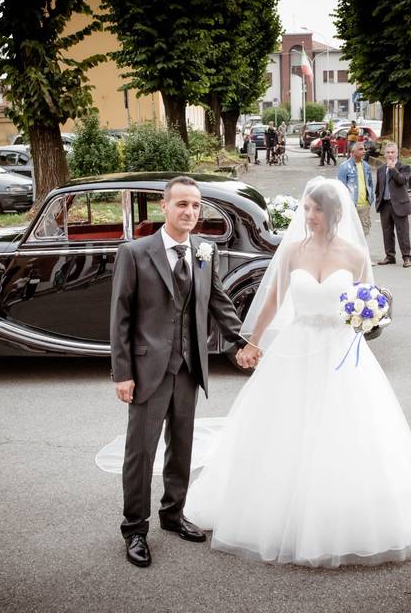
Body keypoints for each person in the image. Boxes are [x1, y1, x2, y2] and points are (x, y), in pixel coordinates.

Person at [181, 177, 411, 567]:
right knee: (285, 425)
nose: (310, 216)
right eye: (306, 209)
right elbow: (272, 300)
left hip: (339, 350)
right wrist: (253, 343)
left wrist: (366, 319)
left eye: (317, 210)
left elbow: (370, 300)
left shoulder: (354, 255)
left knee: (345, 427)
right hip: (296, 347)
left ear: (334, 213)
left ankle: (338, 505)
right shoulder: (293, 252)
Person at [109, 175, 256, 568]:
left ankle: (173, 515)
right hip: (146, 369)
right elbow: (120, 318)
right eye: (182, 204)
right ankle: (135, 529)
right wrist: (122, 372)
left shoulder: (205, 252)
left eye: (195, 205)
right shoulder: (136, 253)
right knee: (140, 452)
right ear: (164, 206)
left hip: (190, 368)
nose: (190, 212)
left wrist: (243, 341)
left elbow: (219, 304)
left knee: (182, 447)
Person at [374, 142, 411, 267]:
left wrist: (392, 169)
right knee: (387, 231)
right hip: (385, 204)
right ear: (385, 154)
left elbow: (402, 181)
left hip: (399, 204)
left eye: (393, 152)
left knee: (403, 232)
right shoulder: (380, 169)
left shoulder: (404, 167)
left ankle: (406, 257)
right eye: (388, 152)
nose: (390, 155)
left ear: (397, 153)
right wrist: (378, 200)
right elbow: (378, 188)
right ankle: (390, 256)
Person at [337, 143, 374, 237]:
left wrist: (370, 200)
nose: (364, 151)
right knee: (350, 235)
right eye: (361, 149)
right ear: (353, 152)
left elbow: (370, 184)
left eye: (364, 149)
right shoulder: (344, 167)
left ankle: (362, 252)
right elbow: (340, 188)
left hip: (364, 206)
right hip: (351, 206)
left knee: (363, 235)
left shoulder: (366, 166)